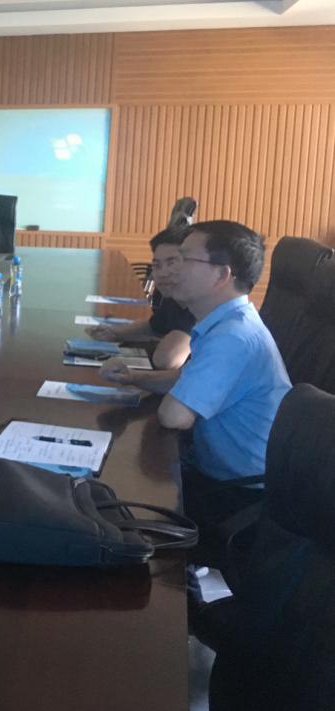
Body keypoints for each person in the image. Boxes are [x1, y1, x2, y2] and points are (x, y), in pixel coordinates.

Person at [100, 220, 291, 535]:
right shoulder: (229, 322)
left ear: (221, 275)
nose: (173, 270)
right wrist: (133, 377)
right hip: (221, 476)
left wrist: (155, 386)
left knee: (109, 505)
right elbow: (185, 379)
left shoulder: (233, 337)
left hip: (237, 497)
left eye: (184, 259)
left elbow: (174, 415)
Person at [88, 225, 195, 370]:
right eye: (157, 265)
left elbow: (167, 359)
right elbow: (153, 327)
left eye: (172, 263)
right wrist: (114, 332)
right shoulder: (173, 296)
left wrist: (161, 341)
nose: (162, 273)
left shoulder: (200, 303)